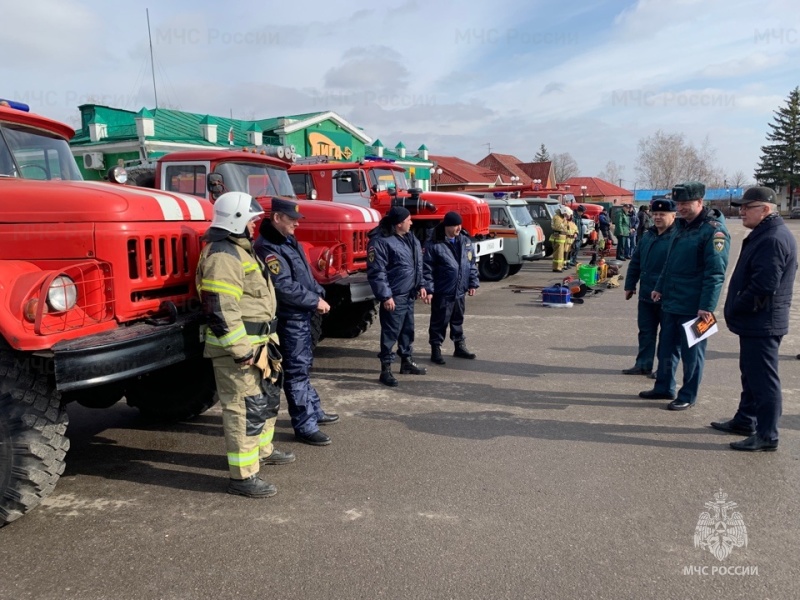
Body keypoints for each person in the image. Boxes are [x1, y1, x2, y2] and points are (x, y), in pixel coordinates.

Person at [196, 192, 294, 499]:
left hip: (261, 344)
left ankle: (261, 451)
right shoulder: (224, 255)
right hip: (242, 351)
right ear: (236, 220)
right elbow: (220, 307)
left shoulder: (239, 250)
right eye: (251, 219)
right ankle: (242, 476)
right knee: (243, 409)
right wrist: (240, 351)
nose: (255, 225)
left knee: (264, 401)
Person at [712, 187, 797, 451]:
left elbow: (764, 285)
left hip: (762, 321)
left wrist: (738, 306)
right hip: (757, 321)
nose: (742, 211)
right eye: (742, 207)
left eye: (748, 207)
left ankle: (767, 435)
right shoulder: (766, 233)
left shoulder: (772, 238)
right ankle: (745, 419)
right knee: (751, 373)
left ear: (766, 210)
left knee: (763, 379)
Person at [639, 181, 730, 410]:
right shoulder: (680, 226)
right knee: (667, 347)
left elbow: (715, 273)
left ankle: (688, 394)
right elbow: (669, 263)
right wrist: (659, 286)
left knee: (693, 354)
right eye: (679, 203)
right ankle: (664, 387)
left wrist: (707, 307)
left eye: (686, 203)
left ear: (700, 202)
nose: (681, 208)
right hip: (671, 301)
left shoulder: (714, 231)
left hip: (696, 306)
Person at [254, 198, 338, 447]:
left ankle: (313, 411)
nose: (296, 225)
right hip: (291, 318)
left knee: (304, 367)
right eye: (292, 220)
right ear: (277, 218)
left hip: (303, 313)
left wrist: (318, 294)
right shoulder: (268, 248)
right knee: (296, 372)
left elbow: (305, 275)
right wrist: (313, 300)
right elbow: (283, 286)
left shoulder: (288, 241)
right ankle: (305, 425)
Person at [367, 206, 428, 387]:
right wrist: (386, 296)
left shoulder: (410, 238)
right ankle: (385, 369)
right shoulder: (381, 242)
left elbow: (418, 264)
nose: (412, 222)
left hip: (409, 294)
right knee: (390, 333)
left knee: (407, 330)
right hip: (394, 296)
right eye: (408, 219)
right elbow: (377, 272)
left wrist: (421, 285)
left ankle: (406, 362)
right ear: (399, 223)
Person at [622, 199, 677, 376]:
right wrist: (630, 285)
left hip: (667, 295)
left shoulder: (677, 237)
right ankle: (643, 364)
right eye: (655, 214)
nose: (658, 217)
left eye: (663, 214)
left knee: (667, 336)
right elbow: (636, 262)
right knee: (646, 332)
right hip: (646, 294)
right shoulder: (648, 236)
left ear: (673, 216)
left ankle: (662, 370)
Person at [422, 211, 480, 364]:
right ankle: (436, 349)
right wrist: (429, 289)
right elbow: (426, 269)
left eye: (460, 225)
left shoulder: (465, 241)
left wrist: (473, 282)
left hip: (459, 290)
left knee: (457, 319)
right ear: (447, 226)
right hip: (443, 291)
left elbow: (471, 264)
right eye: (455, 225)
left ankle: (459, 346)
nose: (458, 228)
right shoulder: (434, 244)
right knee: (439, 321)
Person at [550, 206, 570, 272]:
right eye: (565, 214)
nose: (566, 216)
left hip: (560, 238)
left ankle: (559, 266)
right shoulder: (558, 218)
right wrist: (564, 222)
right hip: (558, 237)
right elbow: (558, 227)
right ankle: (557, 268)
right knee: (558, 254)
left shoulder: (560, 217)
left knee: (560, 254)